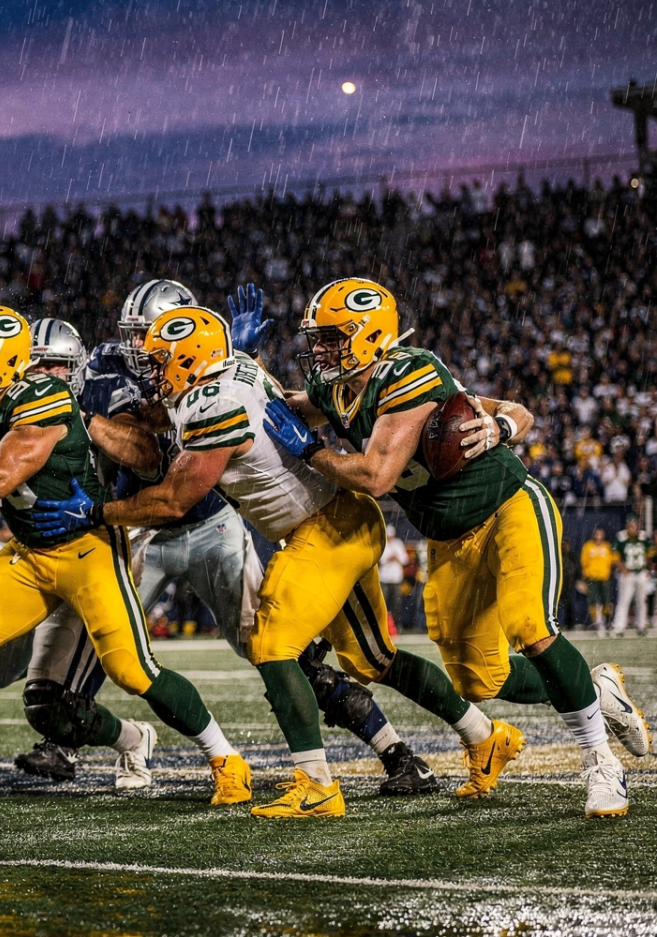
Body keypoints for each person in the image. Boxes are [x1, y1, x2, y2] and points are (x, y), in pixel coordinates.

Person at [37, 307, 463, 817]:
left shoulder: (205, 394)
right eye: (136, 343)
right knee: (117, 649)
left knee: (284, 653)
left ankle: (380, 755)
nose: (144, 363)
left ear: (189, 353)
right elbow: (173, 417)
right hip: (152, 531)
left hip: (209, 525)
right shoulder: (140, 371)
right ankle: (73, 742)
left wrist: (95, 495)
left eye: (154, 353)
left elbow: (163, 475)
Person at [267, 277, 646, 817]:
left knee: (530, 627)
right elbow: (288, 406)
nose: (321, 350)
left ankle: (600, 761)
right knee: (478, 679)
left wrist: (313, 454)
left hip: (507, 506)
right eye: (318, 339)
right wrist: (244, 367)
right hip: (448, 539)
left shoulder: (410, 370)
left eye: (332, 338)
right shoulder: (338, 387)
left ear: (370, 334)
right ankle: (598, 689)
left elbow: (375, 476)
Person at [0, 305, 250, 806]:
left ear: (6, 362)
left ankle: (227, 760)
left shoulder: (43, 395)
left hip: (86, 550)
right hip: (30, 551)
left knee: (134, 671)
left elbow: (3, 476)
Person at [612, 517, 653, 637]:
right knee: (624, 601)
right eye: (630, 525)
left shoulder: (643, 536)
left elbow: (649, 553)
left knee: (641, 601)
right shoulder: (621, 537)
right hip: (627, 573)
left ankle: (642, 626)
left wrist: (646, 566)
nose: (633, 528)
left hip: (640, 572)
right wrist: (623, 568)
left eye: (634, 525)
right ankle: (619, 627)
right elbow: (615, 557)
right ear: (627, 526)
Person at [578, 526, 617, 632]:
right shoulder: (588, 546)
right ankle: (595, 622)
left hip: (604, 578)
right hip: (592, 578)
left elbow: (612, 562)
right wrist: (584, 578)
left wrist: (610, 573)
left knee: (606, 600)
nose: (598, 536)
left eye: (600, 534)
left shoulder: (607, 546)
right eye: (597, 534)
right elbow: (584, 563)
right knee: (592, 601)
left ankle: (607, 621)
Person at [379, 530, 410, 636]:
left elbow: (405, 560)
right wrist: (388, 558)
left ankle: (397, 626)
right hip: (384, 578)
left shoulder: (398, 544)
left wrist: (397, 558)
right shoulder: (382, 543)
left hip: (396, 579)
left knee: (396, 604)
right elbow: (379, 559)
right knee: (383, 604)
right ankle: (382, 627)